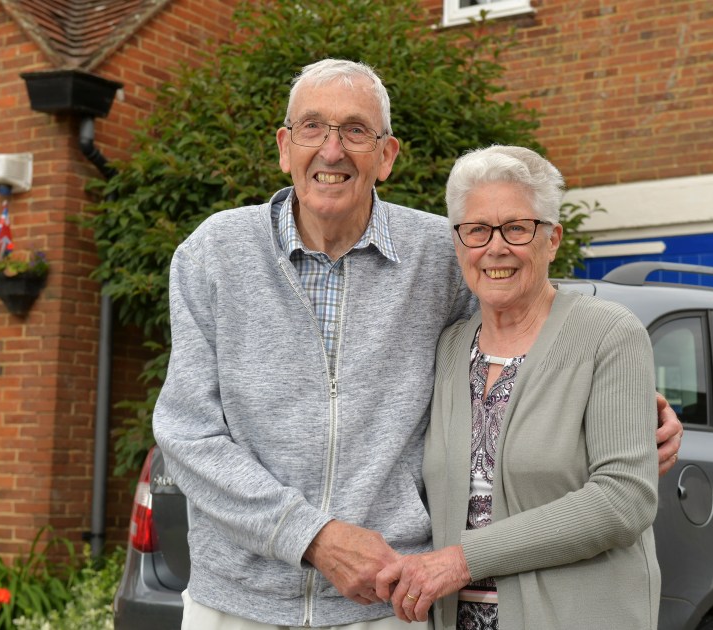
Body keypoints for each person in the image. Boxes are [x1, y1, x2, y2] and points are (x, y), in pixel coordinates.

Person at [153, 59, 681, 629]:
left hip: (388, 603)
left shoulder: (441, 253)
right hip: (234, 604)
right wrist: (314, 538)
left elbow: (529, 309)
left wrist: (630, 407)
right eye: (312, 128)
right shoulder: (214, 254)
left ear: (387, 156)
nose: (332, 150)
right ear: (285, 146)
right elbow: (188, 432)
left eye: (356, 130)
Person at [375, 146, 661, 629]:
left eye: (517, 228)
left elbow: (623, 499)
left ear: (552, 239)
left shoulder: (610, 334)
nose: (495, 247)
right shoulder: (450, 348)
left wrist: (464, 560)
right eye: (477, 230)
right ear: (459, 242)